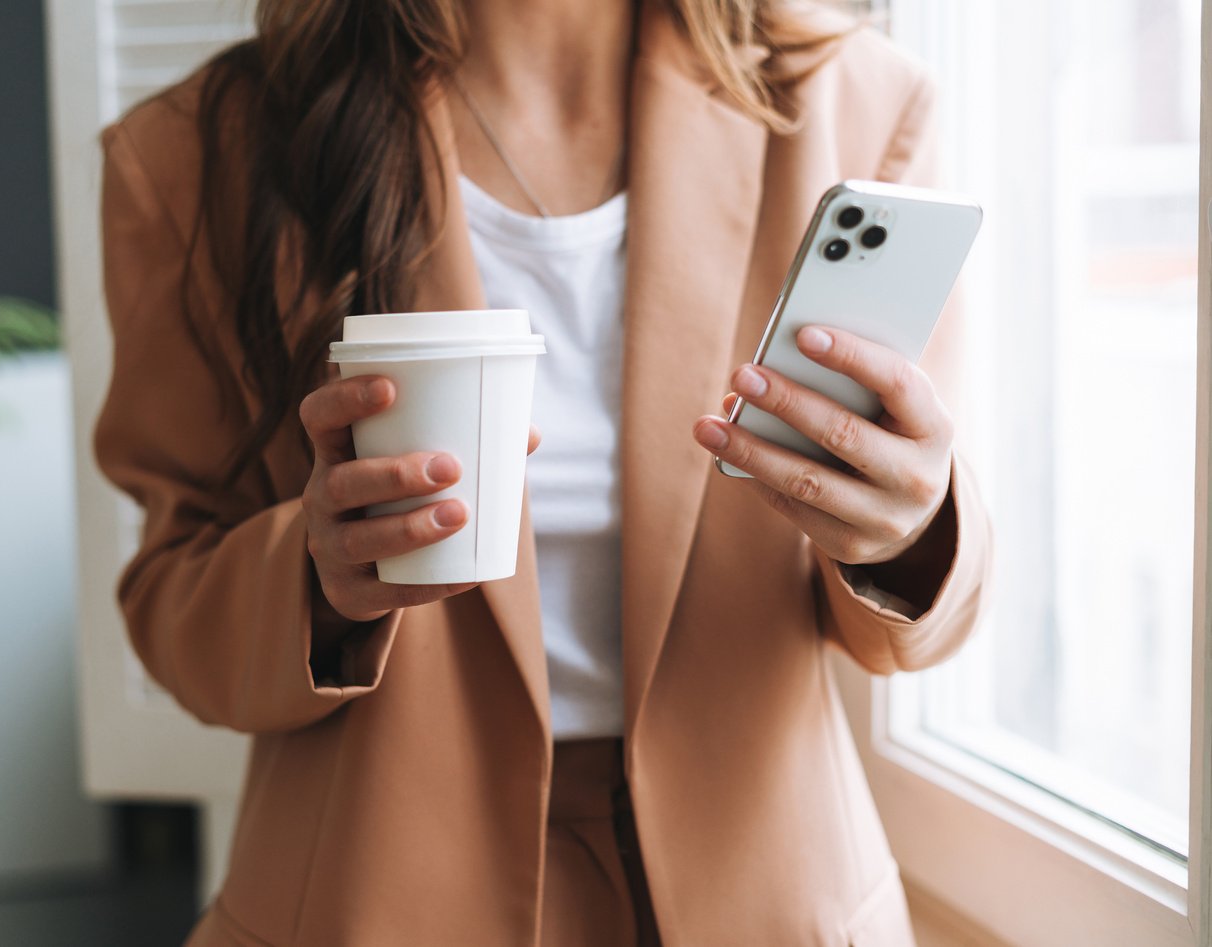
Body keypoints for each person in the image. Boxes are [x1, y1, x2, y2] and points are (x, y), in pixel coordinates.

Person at [94, 0, 992, 942]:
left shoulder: (854, 101)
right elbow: (170, 597)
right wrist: (314, 577)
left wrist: (911, 529)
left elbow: (923, 606)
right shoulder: (198, 157)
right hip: (375, 894)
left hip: (767, 892)